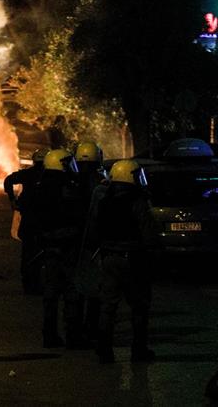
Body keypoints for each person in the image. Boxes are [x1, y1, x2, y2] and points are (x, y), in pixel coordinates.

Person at [92, 159, 155, 364]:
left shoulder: (105, 200)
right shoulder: (137, 201)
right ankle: (139, 350)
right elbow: (147, 232)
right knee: (139, 306)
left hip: (109, 258)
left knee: (108, 306)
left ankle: (104, 351)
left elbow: (96, 229)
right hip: (133, 259)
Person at [37, 149, 89, 349]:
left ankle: (49, 335)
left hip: (48, 247)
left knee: (50, 293)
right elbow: (80, 215)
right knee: (71, 292)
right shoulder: (70, 188)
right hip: (68, 246)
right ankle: (73, 336)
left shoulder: (41, 187)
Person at [73, 141, 107, 339]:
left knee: (75, 289)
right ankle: (91, 330)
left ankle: (75, 331)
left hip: (74, 241)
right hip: (94, 244)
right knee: (94, 289)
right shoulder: (102, 186)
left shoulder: (72, 182)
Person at [3, 147, 48, 294]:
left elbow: (8, 180)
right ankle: (37, 283)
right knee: (41, 252)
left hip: (28, 218)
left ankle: (28, 283)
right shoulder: (50, 176)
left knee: (27, 252)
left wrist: (12, 199)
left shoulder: (28, 174)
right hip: (42, 220)